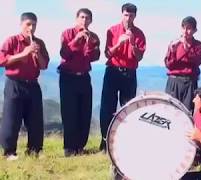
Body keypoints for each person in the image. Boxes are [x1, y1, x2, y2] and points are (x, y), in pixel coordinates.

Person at [0, 12, 50, 160]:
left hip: (33, 85)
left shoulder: (39, 43)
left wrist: (37, 53)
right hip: (15, 83)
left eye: (34, 24)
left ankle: (34, 150)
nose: (31, 28)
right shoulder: (12, 40)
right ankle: (9, 152)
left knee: (35, 119)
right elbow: (2, 60)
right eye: (28, 24)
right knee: (12, 119)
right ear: (21, 24)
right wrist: (24, 53)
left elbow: (44, 65)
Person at [99, 3, 146, 152]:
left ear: (135, 16)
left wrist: (132, 42)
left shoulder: (139, 34)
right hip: (113, 71)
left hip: (130, 73)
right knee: (107, 107)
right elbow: (107, 54)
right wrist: (118, 44)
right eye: (126, 15)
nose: (128, 18)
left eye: (131, 15)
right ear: (122, 14)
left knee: (128, 108)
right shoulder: (112, 30)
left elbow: (139, 57)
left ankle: (126, 140)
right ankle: (105, 140)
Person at [58, 8, 100, 157]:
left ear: (91, 21)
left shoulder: (94, 37)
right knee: (69, 112)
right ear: (76, 18)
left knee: (84, 111)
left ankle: (80, 147)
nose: (84, 20)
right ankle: (69, 148)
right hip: (68, 77)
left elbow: (94, 57)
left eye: (87, 18)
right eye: (82, 17)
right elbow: (64, 53)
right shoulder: (67, 33)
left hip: (84, 76)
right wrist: (76, 40)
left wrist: (89, 42)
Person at [164, 16, 201, 112]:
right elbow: (168, 65)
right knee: (170, 110)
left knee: (187, 111)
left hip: (189, 82)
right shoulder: (174, 43)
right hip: (174, 81)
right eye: (183, 28)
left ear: (195, 30)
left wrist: (186, 47)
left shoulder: (198, 45)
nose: (185, 31)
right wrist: (172, 51)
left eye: (189, 28)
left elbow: (197, 61)